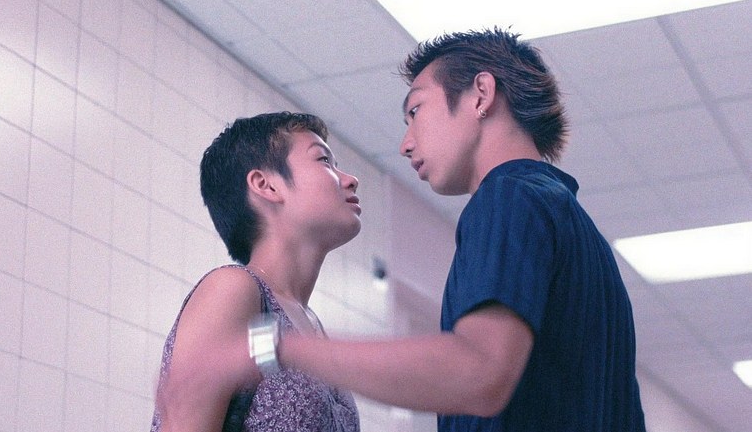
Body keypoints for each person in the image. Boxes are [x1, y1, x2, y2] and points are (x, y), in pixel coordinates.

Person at [275, 27, 647, 431]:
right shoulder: (580, 231)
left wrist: (281, 348)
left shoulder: (509, 197)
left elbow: (479, 373)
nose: (405, 144)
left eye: (416, 111)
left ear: (481, 95)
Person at [150, 112, 363, 431]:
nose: (350, 179)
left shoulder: (310, 323)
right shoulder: (233, 290)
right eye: (324, 160)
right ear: (266, 185)